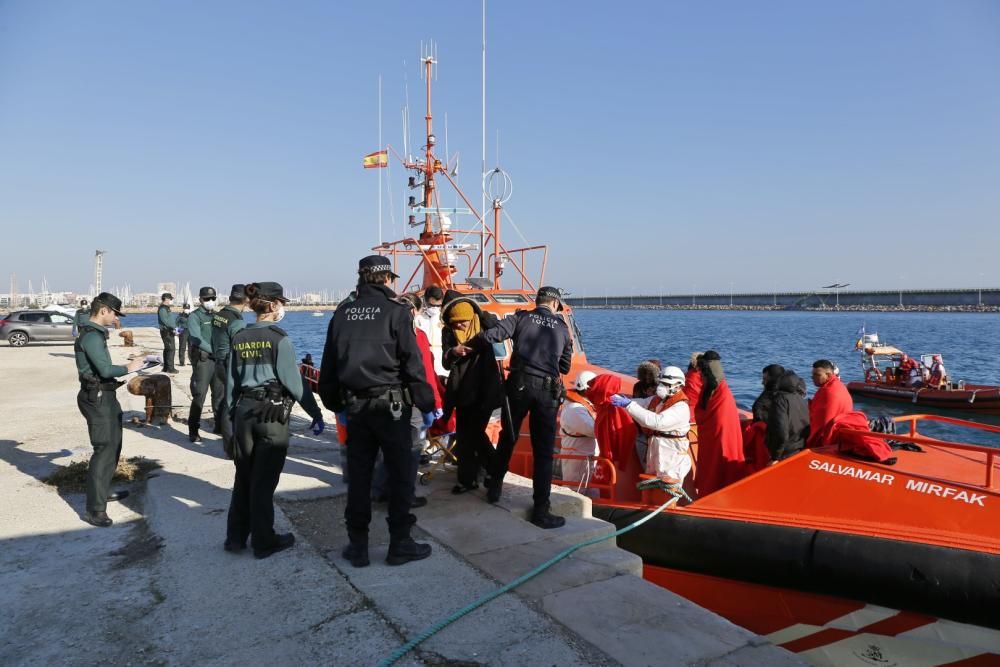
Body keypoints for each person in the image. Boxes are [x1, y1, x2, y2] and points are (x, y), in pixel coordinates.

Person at [317, 255, 437, 567]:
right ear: (387, 279)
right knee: (400, 476)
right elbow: (413, 363)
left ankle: (357, 546)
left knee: (359, 478)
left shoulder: (342, 314)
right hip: (393, 408)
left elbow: (328, 366)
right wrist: (427, 404)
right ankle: (400, 543)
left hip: (356, 407)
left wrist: (335, 404)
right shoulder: (397, 312)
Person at [225, 282, 324, 559]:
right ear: (271, 305)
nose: (282, 307)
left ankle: (235, 538)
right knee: (264, 482)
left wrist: (232, 417)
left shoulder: (240, 337)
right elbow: (295, 383)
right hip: (271, 414)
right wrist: (315, 413)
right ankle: (264, 541)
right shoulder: (280, 339)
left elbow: (232, 383)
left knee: (243, 477)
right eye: (280, 302)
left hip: (244, 411)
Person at [477, 285, 573, 529]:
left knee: (508, 436)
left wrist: (475, 336)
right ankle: (541, 510)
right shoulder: (562, 328)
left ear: (538, 301)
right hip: (547, 392)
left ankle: (495, 487)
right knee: (543, 453)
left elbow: (492, 336)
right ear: (555, 305)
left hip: (518, 385)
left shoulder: (521, 317)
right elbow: (565, 367)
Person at [74, 293, 145, 527]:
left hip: (106, 394)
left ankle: (102, 492)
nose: (116, 318)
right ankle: (95, 509)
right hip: (97, 397)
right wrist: (129, 367)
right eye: (115, 313)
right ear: (103, 310)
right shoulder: (91, 336)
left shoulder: (95, 334)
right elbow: (104, 369)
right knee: (104, 448)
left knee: (114, 445)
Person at [372, 293, 443, 507]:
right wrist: (435, 403)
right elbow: (425, 373)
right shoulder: (416, 334)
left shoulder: (380, 333)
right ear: (415, 311)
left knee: (388, 446)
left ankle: (380, 489)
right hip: (409, 400)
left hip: (382, 397)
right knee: (412, 448)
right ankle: (405, 494)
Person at [440, 290, 502, 494]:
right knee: (465, 436)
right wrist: (453, 352)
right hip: (462, 390)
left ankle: (494, 468)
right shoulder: (448, 332)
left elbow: (497, 326)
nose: (460, 325)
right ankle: (469, 479)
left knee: (474, 433)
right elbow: (445, 362)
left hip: (485, 389)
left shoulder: (484, 324)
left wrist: (480, 312)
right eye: (455, 322)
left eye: (463, 321)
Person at [611, 366, 691, 484]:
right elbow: (642, 403)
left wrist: (628, 405)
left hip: (672, 456)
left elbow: (656, 422)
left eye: (665, 384)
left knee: (668, 486)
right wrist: (618, 400)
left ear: (678, 386)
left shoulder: (681, 408)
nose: (661, 387)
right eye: (661, 383)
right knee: (652, 483)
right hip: (655, 451)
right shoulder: (657, 400)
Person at [693, 351, 745, 497]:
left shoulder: (720, 393)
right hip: (711, 437)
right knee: (711, 466)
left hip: (719, 436)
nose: (700, 378)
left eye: (702, 374)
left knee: (718, 465)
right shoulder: (712, 390)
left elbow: (719, 419)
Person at [212, 285, 248, 458]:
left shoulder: (219, 315)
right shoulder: (237, 320)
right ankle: (231, 448)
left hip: (218, 361)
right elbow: (241, 347)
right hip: (229, 364)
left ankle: (225, 438)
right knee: (231, 404)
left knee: (226, 400)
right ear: (246, 300)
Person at [187, 286, 218, 443]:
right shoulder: (195, 317)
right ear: (200, 300)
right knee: (200, 395)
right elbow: (195, 337)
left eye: (213, 298)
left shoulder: (217, 316)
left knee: (219, 394)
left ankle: (219, 425)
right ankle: (193, 429)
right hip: (204, 360)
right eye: (207, 299)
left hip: (218, 360)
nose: (210, 301)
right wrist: (213, 350)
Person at [560, 370, 599, 490]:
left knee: (589, 490)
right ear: (587, 389)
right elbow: (593, 430)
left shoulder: (582, 406)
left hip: (585, 455)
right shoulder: (575, 410)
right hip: (577, 456)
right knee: (575, 491)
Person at [806, 359, 854, 449]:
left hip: (830, 440)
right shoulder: (840, 386)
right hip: (840, 435)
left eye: (817, 375)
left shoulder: (827, 392)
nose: (813, 377)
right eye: (812, 374)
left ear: (828, 375)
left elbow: (821, 424)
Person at [766, 369, 809, 461]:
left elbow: (781, 432)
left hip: (785, 452)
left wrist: (775, 457)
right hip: (799, 447)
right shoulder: (801, 400)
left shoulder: (780, 400)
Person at [416, 285, 447, 376]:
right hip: (423, 359)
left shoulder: (446, 319)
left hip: (442, 362)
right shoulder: (418, 319)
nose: (434, 308)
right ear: (425, 301)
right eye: (431, 305)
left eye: (438, 305)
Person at [157, 292, 178, 374]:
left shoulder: (166, 308)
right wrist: (175, 328)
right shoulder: (162, 309)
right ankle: (170, 368)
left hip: (169, 331)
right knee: (171, 349)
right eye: (170, 299)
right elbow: (165, 321)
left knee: (167, 349)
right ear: (166, 299)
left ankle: (166, 368)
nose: (170, 301)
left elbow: (170, 320)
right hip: (166, 332)